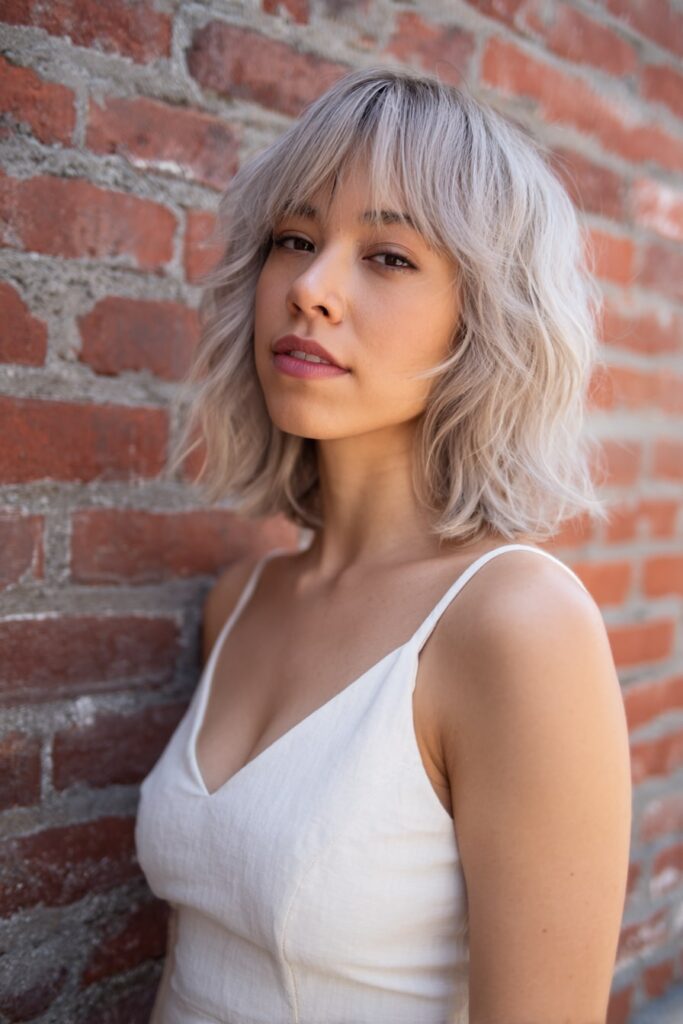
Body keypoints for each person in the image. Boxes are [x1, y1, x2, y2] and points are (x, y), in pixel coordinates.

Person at [134, 64, 632, 1024]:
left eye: (389, 256)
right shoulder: (239, 601)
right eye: (295, 239)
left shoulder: (515, 625)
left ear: (483, 320)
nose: (311, 288)